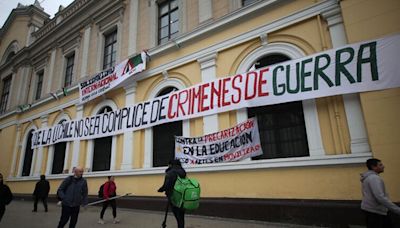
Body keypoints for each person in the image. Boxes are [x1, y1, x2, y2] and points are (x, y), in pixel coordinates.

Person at [360, 158, 400, 228]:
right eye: (380, 165)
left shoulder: (369, 177)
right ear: (373, 167)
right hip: (375, 211)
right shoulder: (374, 178)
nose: (383, 166)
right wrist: (397, 209)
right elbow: (380, 197)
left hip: (374, 210)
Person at [158, 159, 186, 228]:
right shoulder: (183, 171)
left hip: (173, 195)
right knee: (181, 214)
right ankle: (181, 226)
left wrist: (161, 189)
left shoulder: (170, 172)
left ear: (171, 164)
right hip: (182, 194)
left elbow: (166, 184)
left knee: (176, 212)